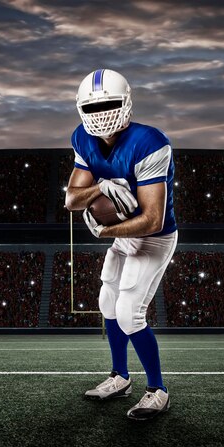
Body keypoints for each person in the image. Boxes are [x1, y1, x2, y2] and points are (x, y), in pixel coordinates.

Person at [65, 69, 178, 420]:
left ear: (127, 102)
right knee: (107, 302)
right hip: (123, 236)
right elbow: (71, 200)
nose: (101, 115)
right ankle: (119, 377)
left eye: (110, 104)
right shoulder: (82, 138)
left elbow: (152, 218)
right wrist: (101, 188)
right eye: (93, 108)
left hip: (154, 239)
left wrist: (103, 232)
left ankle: (157, 389)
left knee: (131, 313)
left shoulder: (149, 141)